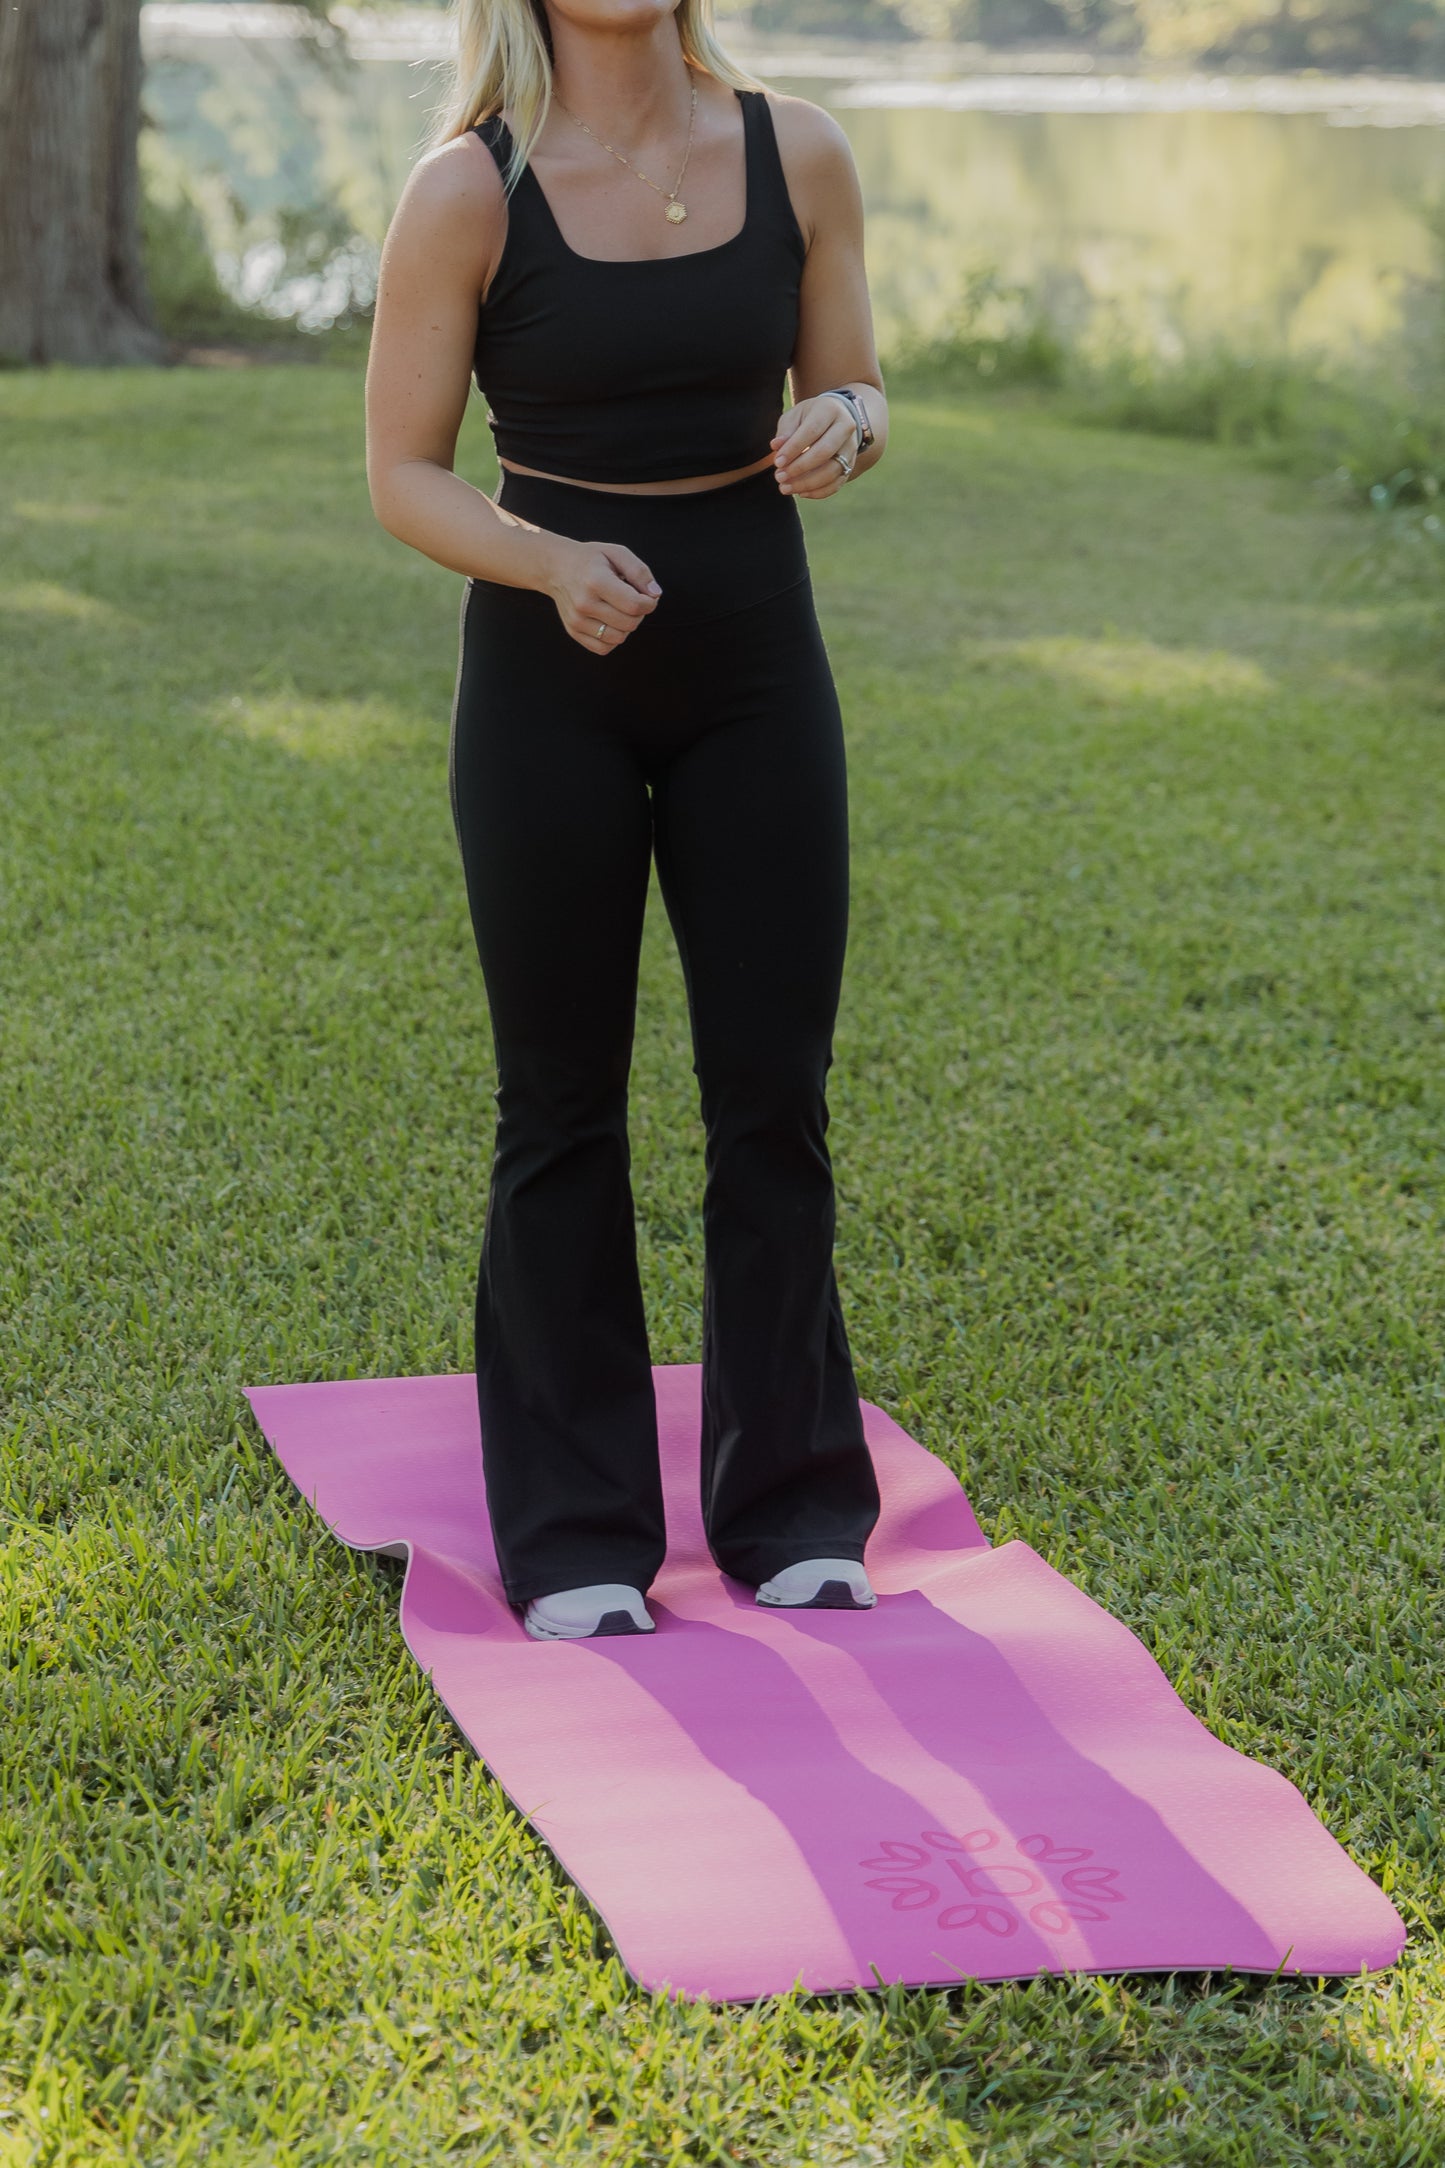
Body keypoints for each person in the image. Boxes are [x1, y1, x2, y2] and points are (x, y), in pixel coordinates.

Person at [364, 0, 888, 1640]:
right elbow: (402, 470)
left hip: (753, 666)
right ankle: (579, 1531)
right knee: (560, 1104)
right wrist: (547, 562)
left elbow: (858, 386)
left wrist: (847, 427)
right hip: (548, 675)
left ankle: (794, 1503)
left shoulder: (794, 150)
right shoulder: (469, 189)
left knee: (771, 1095)